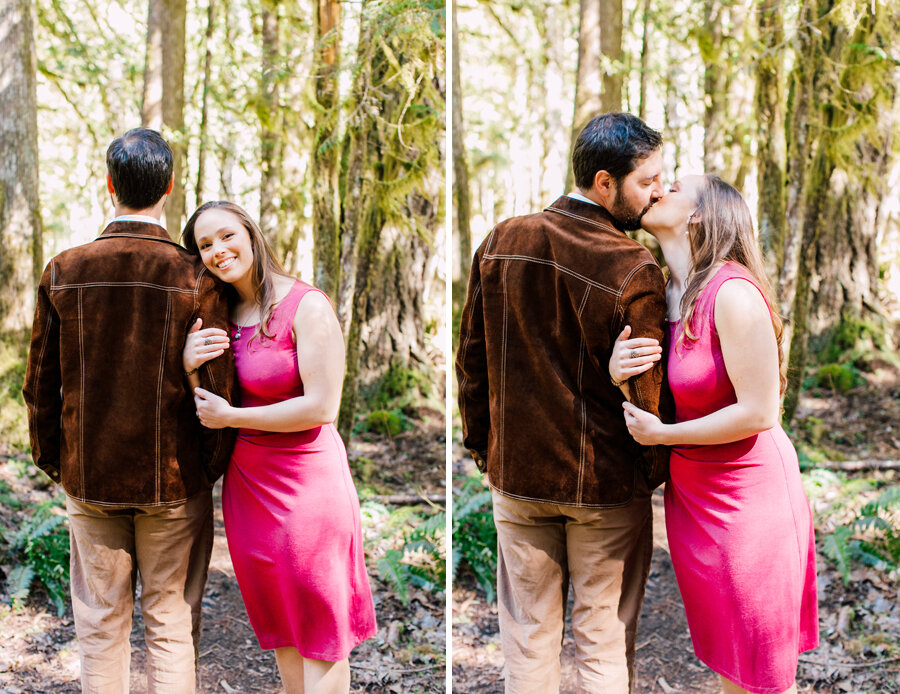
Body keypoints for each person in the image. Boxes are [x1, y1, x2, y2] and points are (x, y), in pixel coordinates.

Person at [456, 112, 672, 693]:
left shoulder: (502, 240)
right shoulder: (632, 265)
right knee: (603, 642)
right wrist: (648, 476)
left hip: (518, 478)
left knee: (528, 639)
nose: (658, 191)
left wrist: (486, 452)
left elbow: (471, 362)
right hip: (605, 486)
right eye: (647, 181)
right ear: (604, 183)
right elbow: (648, 395)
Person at [22, 128, 237, 693]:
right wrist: (203, 471)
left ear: (109, 184)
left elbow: (40, 388)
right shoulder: (197, 276)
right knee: (170, 624)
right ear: (169, 187)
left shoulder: (64, 270)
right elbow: (220, 389)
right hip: (175, 483)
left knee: (99, 626)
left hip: (90, 479)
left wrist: (60, 464)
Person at [609, 174, 819, 694]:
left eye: (675, 186)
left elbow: (760, 411)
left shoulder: (732, 292)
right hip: (693, 500)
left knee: (762, 671)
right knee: (729, 661)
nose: (658, 190)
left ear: (700, 214)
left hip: (748, 500)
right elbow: (662, 392)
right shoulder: (661, 293)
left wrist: (665, 434)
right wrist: (617, 373)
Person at [180, 201, 377, 694]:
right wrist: (187, 368)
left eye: (227, 236)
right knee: (282, 627)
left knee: (321, 633)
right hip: (249, 491)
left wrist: (234, 417)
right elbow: (205, 407)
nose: (218, 250)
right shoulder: (219, 315)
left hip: (307, 486)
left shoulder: (307, 305)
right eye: (205, 245)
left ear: (251, 234)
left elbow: (322, 406)